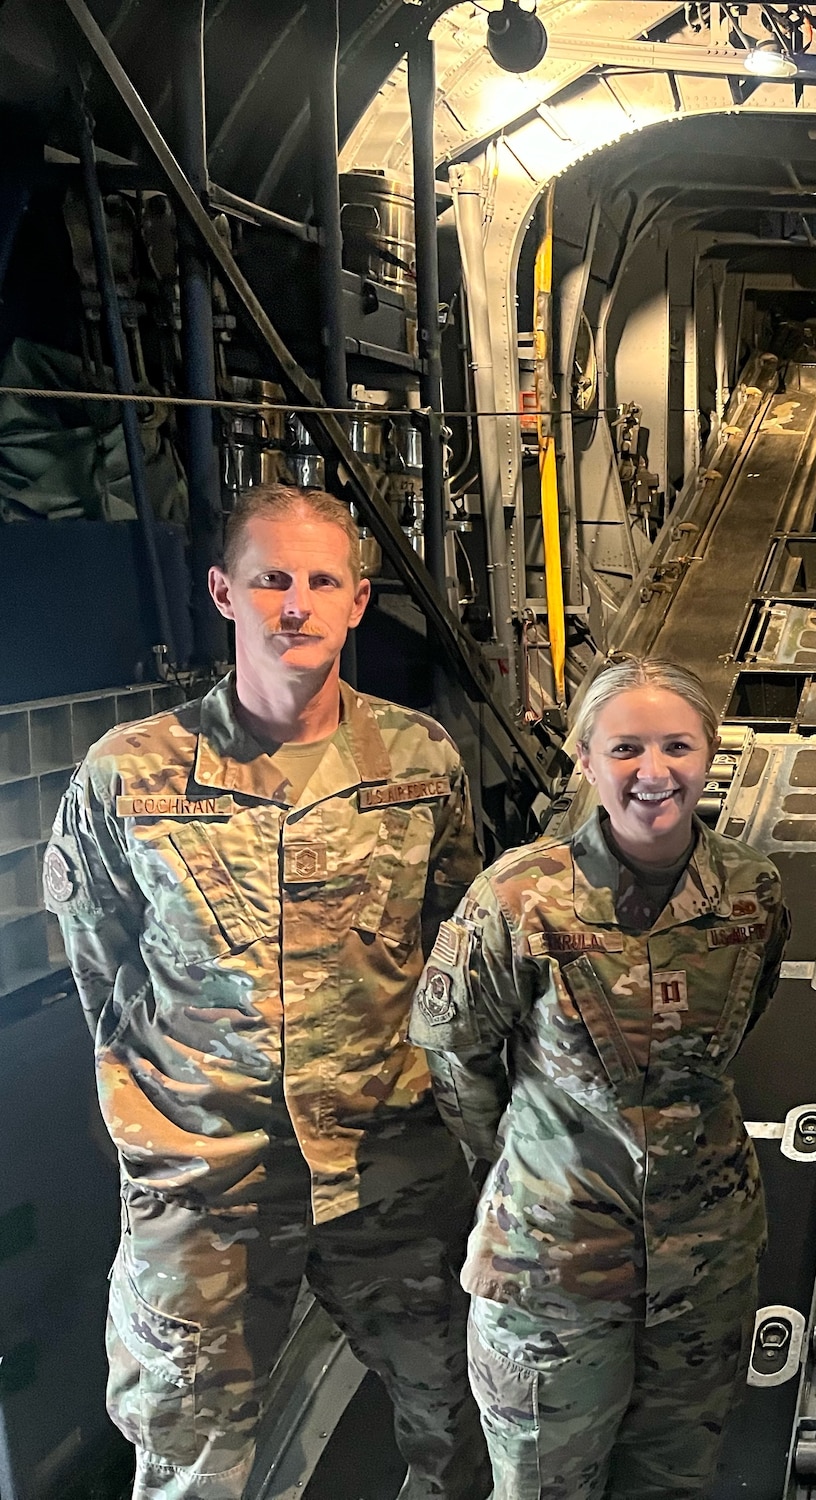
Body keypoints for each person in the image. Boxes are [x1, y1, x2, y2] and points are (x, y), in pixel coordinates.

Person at [43, 483, 484, 1500]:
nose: (295, 603)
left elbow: (456, 952)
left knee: (462, 1422)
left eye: (320, 580)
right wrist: (176, 1101)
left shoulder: (418, 763)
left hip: (390, 1168)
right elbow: (98, 961)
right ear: (223, 592)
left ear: (358, 601)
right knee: (192, 1462)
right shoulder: (132, 775)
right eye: (270, 579)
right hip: (205, 1187)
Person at [410, 657, 788, 1500]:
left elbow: (736, 1025)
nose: (653, 773)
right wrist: (536, 1162)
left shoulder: (750, 895)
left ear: (709, 754)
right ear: (585, 758)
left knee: (675, 1484)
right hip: (552, 1278)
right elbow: (457, 1059)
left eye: (676, 747)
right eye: (625, 748)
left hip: (704, 1268)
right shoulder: (517, 900)